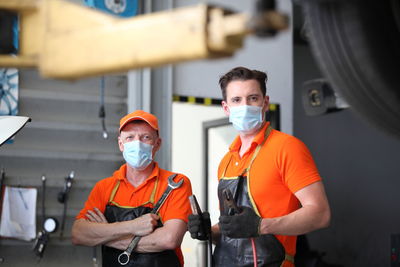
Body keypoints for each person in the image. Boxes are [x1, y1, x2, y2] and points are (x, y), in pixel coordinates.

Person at [188, 67, 331, 267]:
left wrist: (261, 226)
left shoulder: (287, 148)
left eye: (253, 98)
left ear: (265, 103)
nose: (245, 106)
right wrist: (208, 232)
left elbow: (320, 214)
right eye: (236, 100)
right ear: (226, 108)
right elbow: (236, 229)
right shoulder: (226, 161)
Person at [72, 110, 193, 267]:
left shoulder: (176, 183)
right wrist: (133, 226)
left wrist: (105, 234)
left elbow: (169, 239)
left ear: (157, 144)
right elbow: (78, 234)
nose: (137, 143)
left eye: (146, 137)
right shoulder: (105, 187)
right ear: (121, 144)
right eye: (130, 137)